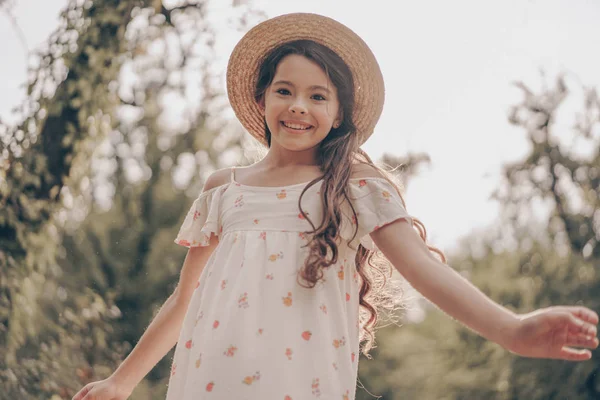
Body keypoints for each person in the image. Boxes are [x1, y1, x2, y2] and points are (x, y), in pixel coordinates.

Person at [72, 12, 599, 400]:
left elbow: (423, 272)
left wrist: (511, 329)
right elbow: (184, 301)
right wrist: (121, 382)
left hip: (302, 383)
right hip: (210, 379)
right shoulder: (222, 189)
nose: (299, 105)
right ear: (262, 101)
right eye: (284, 90)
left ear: (340, 112)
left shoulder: (355, 187)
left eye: (318, 96)